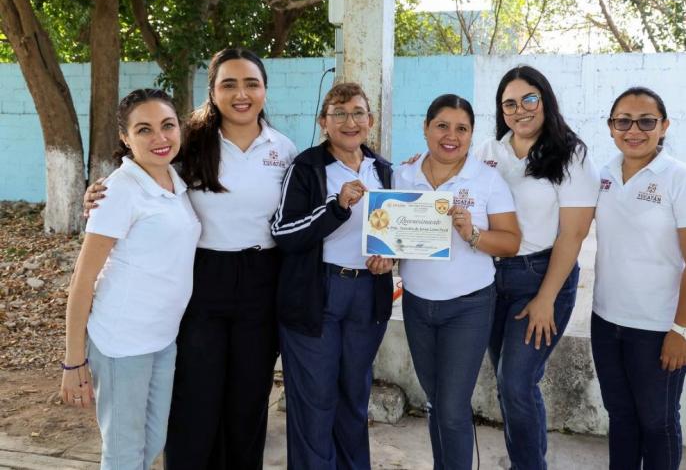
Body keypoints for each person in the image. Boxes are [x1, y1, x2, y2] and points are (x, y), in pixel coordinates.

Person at [83, 48, 296, 469]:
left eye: (251, 83)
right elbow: (143, 175)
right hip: (202, 281)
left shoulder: (283, 149)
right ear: (212, 92)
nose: (241, 94)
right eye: (228, 84)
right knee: (194, 399)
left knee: (248, 399)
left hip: (261, 281)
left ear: (265, 90)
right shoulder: (189, 144)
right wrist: (95, 192)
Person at [62, 89, 201, 470]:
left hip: (162, 338)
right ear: (125, 138)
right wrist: (73, 361)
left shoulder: (175, 178)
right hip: (122, 341)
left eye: (167, 125)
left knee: (151, 442)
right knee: (124, 453)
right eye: (144, 130)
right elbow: (83, 278)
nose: (160, 138)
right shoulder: (119, 190)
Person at [473, 65, 599, 469]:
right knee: (510, 384)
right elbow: (458, 193)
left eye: (529, 99)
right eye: (509, 103)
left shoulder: (571, 154)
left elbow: (572, 235)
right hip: (492, 278)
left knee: (516, 382)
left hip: (542, 277)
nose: (520, 110)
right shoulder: (490, 152)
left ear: (545, 100)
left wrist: (546, 298)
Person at [394, 94, 521, 469]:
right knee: (436, 402)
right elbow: (390, 234)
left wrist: (473, 233)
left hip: (468, 307)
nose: (451, 136)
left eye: (462, 128)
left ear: (471, 134)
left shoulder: (486, 179)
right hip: (417, 305)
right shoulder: (403, 174)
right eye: (442, 126)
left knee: (451, 408)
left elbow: (511, 242)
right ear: (426, 128)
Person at [270, 82, 394, 469]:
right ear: (323, 122)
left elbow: (399, 234)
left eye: (358, 112)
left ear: (370, 121)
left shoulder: (384, 171)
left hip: (368, 295)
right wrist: (336, 207)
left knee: (354, 396)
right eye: (338, 113)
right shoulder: (307, 168)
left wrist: (389, 259)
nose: (349, 121)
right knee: (314, 399)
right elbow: (283, 232)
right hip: (317, 294)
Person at [592, 87, 686, 470]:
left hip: (660, 329)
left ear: (664, 126)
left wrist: (682, 330)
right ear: (611, 127)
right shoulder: (603, 176)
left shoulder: (684, 181)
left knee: (657, 423)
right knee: (621, 418)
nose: (634, 130)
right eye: (623, 121)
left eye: (646, 121)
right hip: (607, 322)